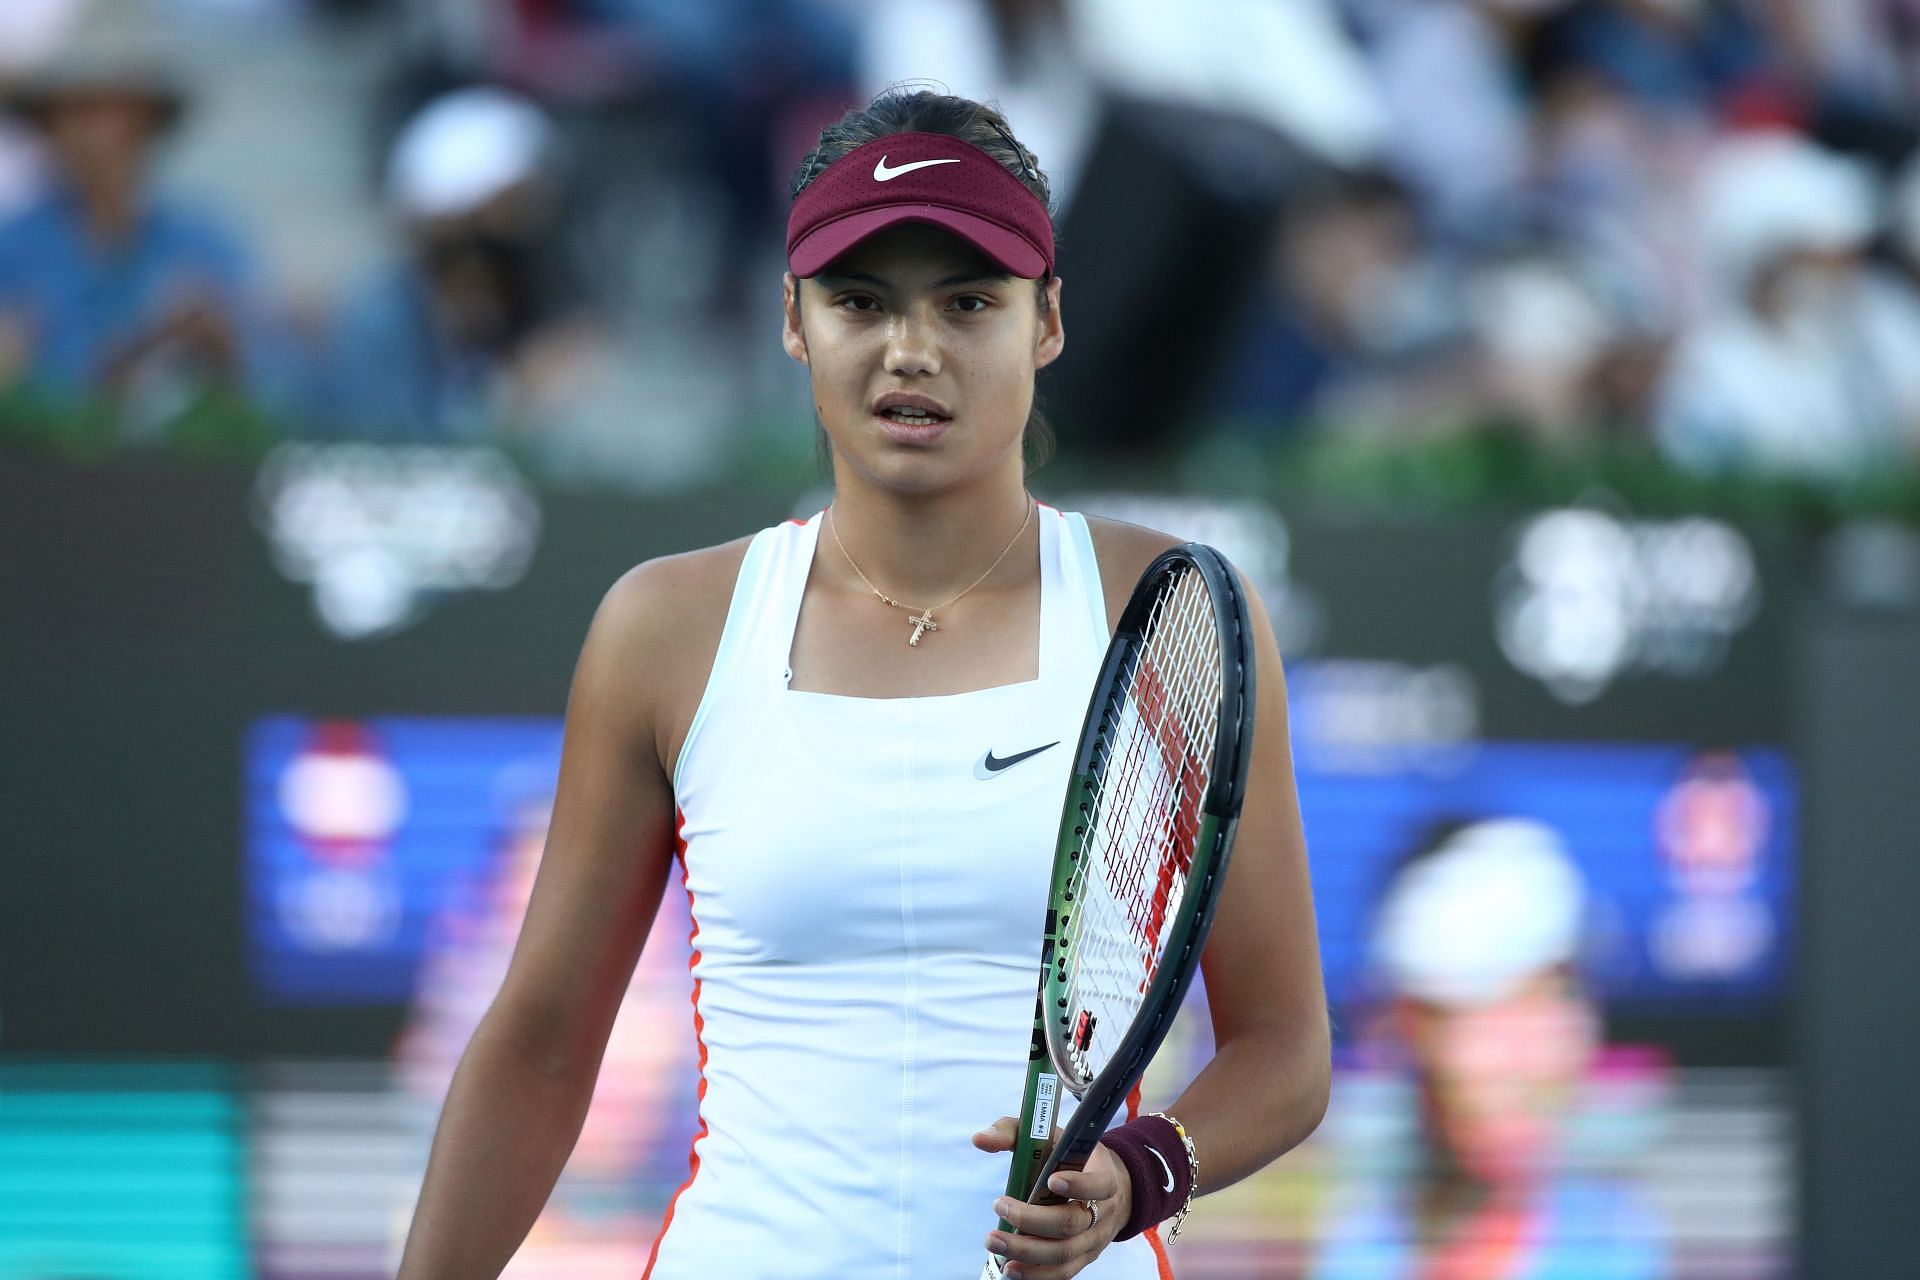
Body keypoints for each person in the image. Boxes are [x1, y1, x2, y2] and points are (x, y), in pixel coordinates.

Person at [394, 89, 1329, 1279]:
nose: (911, 348)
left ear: (1048, 321)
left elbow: (1286, 1045)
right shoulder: (666, 628)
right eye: (860, 301)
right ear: (793, 321)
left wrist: (1137, 1173)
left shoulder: (1171, 609)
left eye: (968, 302)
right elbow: (540, 1044)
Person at [1313, 817, 1665, 1279]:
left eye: (1550, 997)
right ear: (1405, 1026)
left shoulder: (1623, 1254)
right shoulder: (1339, 1250)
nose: (1527, 1059)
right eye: (1486, 1008)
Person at [0, 0, 283, 431]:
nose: (98, 136)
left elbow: (278, 393)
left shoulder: (208, 242)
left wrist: (223, 349)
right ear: (49, 127)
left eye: (116, 112)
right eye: (79, 112)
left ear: (148, 123)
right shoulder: (12, 249)